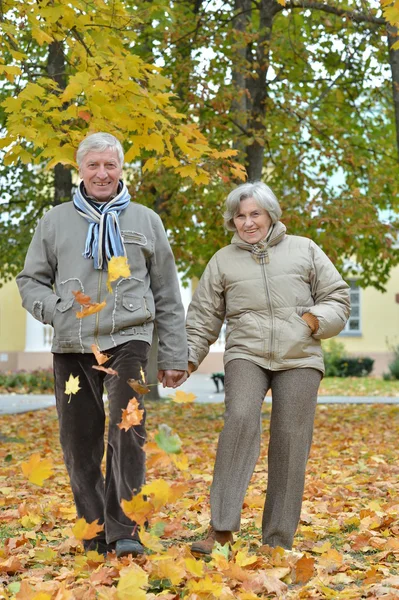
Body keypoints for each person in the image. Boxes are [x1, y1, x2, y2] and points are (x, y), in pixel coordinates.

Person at [16, 132, 188, 558]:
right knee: (79, 440)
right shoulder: (55, 221)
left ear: (121, 170)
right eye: (93, 165)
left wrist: (172, 354)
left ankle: (124, 528)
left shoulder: (147, 221)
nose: (102, 173)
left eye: (110, 165)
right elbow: (30, 280)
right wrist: (56, 310)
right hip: (72, 345)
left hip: (129, 340)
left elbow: (167, 291)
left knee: (127, 430)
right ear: (81, 169)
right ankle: (94, 528)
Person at [186, 181, 350, 555]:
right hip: (247, 352)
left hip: (300, 356)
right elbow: (203, 317)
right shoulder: (222, 260)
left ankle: (276, 541)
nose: (247, 222)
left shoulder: (304, 249)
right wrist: (190, 357)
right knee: (240, 419)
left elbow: (338, 296)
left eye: (254, 214)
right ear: (232, 221)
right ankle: (222, 529)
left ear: (270, 215)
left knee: (292, 439)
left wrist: (312, 321)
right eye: (240, 216)